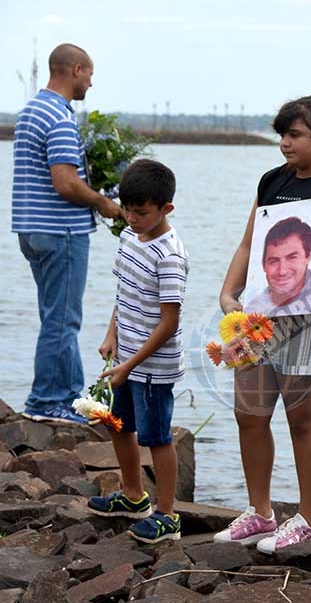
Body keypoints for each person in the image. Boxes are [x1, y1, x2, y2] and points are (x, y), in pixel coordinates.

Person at [214, 96, 311, 553]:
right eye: (281, 134)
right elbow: (250, 243)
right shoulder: (272, 181)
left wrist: (268, 309)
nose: (284, 143)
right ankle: (260, 513)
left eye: (295, 135)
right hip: (259, 314)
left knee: (302, 418)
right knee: (249, 413)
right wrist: (230, 295)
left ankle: (310, 519)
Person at [12, 43, 121, 425]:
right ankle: (46, 402)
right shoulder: (59, 117)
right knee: (62, 320)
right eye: (89, 74)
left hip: (30, 228)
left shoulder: (30, 110)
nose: (91, 83)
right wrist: (104, 203)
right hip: (61, 230)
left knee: (56, 316)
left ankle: (73, 400)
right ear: (76, 69)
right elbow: (65, 183)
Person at [86, 159, 188, 544]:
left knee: (157, 436)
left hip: (152, 368)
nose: (131, 218)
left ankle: (167, 515)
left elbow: (169, 322)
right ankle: (132, 495)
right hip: (125, 358)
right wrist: (112, 335)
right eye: (127, 209)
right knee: (117, 424)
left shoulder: (170, 256)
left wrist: (130, 364)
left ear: (166, 209)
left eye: (141, 212)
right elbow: (123, 294)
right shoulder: (130, 238)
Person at [243, 216, 311, 315]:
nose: (282, 271)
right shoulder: (253, 310)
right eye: (274, 261)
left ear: (308, 257)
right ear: (264, 265)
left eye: (292, 257)